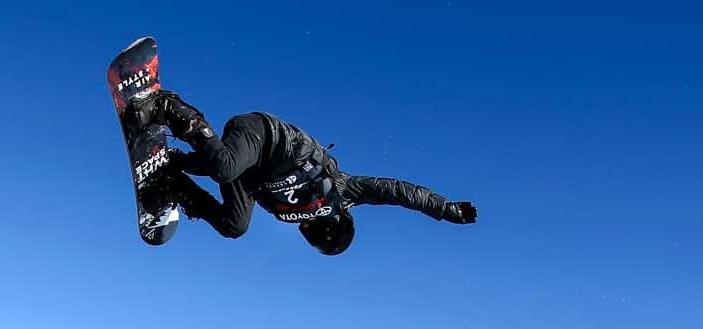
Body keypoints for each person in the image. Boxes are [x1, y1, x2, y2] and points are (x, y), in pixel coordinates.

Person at [128, 93, 477, 255]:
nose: (306, 233)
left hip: (247, 168)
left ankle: (174, 183)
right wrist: (444, 209)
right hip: (267, 137)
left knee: (236, 226)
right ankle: (170, 108)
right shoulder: (343, 191)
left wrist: (183, 167)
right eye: (316, 238)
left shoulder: (287, 214)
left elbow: (236, 182)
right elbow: (398, 192)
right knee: (225, 166)